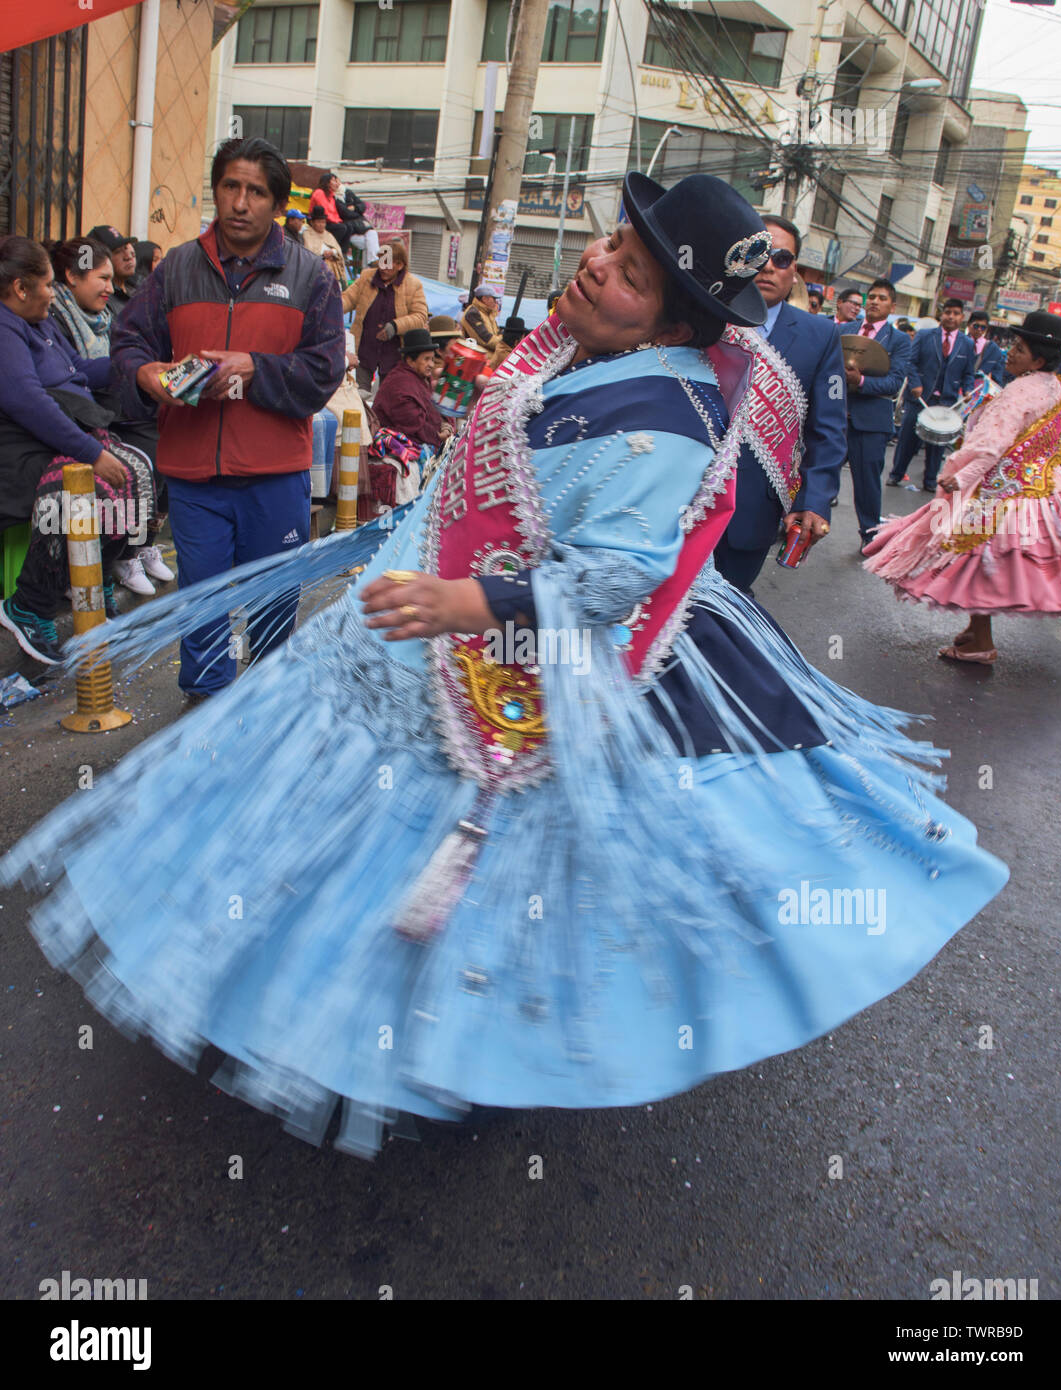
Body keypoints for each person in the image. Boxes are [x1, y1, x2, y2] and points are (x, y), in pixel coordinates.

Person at [1, 172, 1008, 1160]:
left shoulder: (663, 416)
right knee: (366, 812)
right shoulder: (576, 348)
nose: (597, 265)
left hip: (511, 655)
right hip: (430, 614)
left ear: (669, 326)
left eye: (630, 272)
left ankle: (452, 1049)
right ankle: (328, 994)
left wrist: (462, 601)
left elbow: (612, 575)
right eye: (612, 243)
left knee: (474, 847)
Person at [109, 136, 345, 703]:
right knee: (203, 599)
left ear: (276, 203)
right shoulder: (175, 270)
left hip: (275, 476)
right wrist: (149, 377)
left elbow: (323, 370)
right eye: (230, 187)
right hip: (195, 478)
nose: (240, 203)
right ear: (216, 191)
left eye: (256, 192)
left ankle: (264, 706)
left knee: (272, 599)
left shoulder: (311, 276)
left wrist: (253, 367)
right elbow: (129, 343)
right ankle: (206, 703)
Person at [863, 311, 1061, 663]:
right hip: (1045, 489)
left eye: (1018, 349)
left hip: (1005, 494)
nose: (1010, 353)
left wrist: (961, 477)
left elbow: (993, 444)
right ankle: (978, 633)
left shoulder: (1020, 391)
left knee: (977, 562)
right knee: (988, 564)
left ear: (1038, 358)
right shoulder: (1054, 385)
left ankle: (981, 643)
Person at [0, 236, 154, 662]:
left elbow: (79, 370)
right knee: (80, 490)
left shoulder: (41, 321)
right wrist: (91, 452)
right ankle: (29, 604)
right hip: (19, 446)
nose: (54, 293)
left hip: (66, 428)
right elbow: (28, 401)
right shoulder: (5, 326)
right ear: (20, 288)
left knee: (138, 473)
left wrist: (139, 368)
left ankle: (98, 575)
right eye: (48, 284)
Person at [712, 213, 845, 594]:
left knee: (728, 610)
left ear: (795, 270)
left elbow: (828, 430)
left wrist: (815, 500)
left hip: (753, 509)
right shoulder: (704, 315)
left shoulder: (820, 335)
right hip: (679, 497)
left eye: (781, 258)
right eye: (758, 254)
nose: (768, 266)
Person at [47, 237, 173, 596]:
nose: (108, 286)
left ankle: (144, 541)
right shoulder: (57, 317)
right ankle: (121, 553)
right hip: (90, 417)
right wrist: (129, 368)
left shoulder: (106, 315)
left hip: (112, 407)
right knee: (144, 459)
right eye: (100, 278)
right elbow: (75, 373)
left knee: (171, 440)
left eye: (109, 278)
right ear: (71, 277)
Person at [837, 279, 912, 551]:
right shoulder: (845, 329)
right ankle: (794, 524)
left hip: (871, 422)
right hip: (835, 415)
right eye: (872, 297)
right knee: (811, 472)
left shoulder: (900, 340)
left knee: (867, 484)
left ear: (892, 306)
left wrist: (862, 382)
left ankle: (869, 535)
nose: (875, 302)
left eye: (882, 298)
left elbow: (894, 382)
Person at [889, 299, 976, 492]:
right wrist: (915, 384)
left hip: (947, 401)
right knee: (908, 439)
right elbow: (910, 363)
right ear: (942, 315)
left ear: (962, 318)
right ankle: (896, 474)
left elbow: (968, 373)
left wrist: (968, 389)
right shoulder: (925, 335)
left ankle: (930, 481)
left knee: (938, 445)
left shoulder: (967, 344)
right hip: (920, 398)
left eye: (955, 313)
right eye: (947, 312)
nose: (951, 317)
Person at [340, 239, 428, 392]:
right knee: (357, 396)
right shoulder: (366, 278)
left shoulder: (413, 285)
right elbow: (347, 299)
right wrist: (330, 307)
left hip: (394, 357)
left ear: (400, 265)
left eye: (388, 264)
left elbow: (420, 317)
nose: (382, 268)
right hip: (363, 352)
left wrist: (395, 326)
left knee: (389, 400)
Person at [370, 327, 451, 450]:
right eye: (426, 359)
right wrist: (438, 435)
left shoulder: (420, 378)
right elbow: (412, 425)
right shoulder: (399, 384)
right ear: (410, 361)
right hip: (402, 444)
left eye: (432, 359)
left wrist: (445, 426)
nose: (431, 364)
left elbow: (434, 410)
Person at [309, 172, 379, 269]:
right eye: (333, 180)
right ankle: (340, 251)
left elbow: (362, 206)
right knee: (344, 228)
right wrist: (355, 212)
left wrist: (354, 209)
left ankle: (371, 264)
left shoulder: (346, 193)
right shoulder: (325, 194)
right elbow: (341, 212)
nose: (337, 183)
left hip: (353, 226)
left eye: (337, 180)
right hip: (327, 222)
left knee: (372, 234)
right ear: (327, 183)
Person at [87, 225, 138, 314]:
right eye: (117, 252)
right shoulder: (102, 300)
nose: (128, 257)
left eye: (126, 248)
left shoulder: (136, 288)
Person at [301, 206, 348, 290]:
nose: (321, 225)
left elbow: (338, 251)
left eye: (323, 222)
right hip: (317, 269)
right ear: (312, 222)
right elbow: (308, 252)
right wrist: (323, 254)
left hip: (333, 269)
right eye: (318, 222)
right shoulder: (307, 234)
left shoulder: (328, 235)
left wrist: (333, 252)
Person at [462, 284, 503, 356]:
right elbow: (487, 340)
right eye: (494, 298)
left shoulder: (489, 314)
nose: (496, 302)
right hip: (479, 360)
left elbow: (497, 333)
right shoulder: (473, 314)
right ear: (484, 299)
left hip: (489, 359)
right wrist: (506, 342)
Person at [967, 311, 1004, 383]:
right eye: (976, 326)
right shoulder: (959, 343)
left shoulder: (993, 350)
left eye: (983, 327)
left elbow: (998, 375)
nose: (979, 330)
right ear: (968, 325)